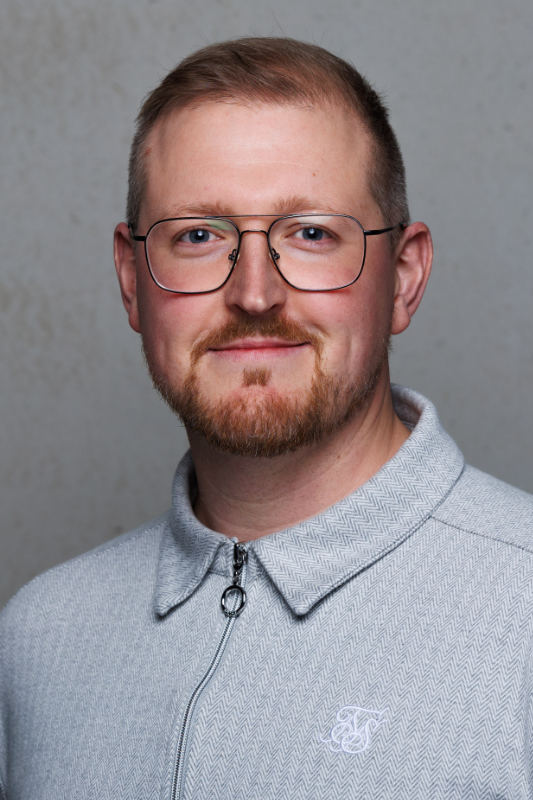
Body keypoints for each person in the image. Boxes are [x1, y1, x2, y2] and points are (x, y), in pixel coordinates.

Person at [1, 36, 532, 800]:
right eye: (198, 236)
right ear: (130, 279)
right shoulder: (39, 641)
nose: (254, 293)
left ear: (403, 277)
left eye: (310, 233)